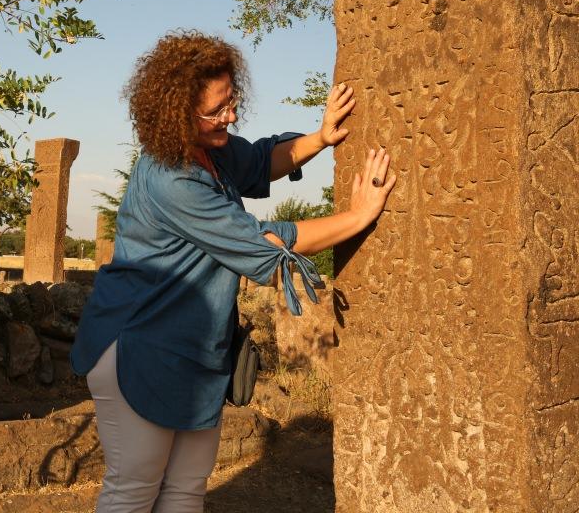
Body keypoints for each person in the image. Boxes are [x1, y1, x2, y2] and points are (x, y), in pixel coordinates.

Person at [69, 31, 396, 513]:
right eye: (216, 110)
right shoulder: (171, 176)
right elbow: (259, 244)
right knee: (135, 489)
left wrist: (321, 138)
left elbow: (262, 160)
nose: (231, 116)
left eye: (232, 101)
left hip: (194, 349)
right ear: (176, 114)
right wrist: (357, 218)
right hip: (139, 346)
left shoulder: (213, 151)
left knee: (186, 488)